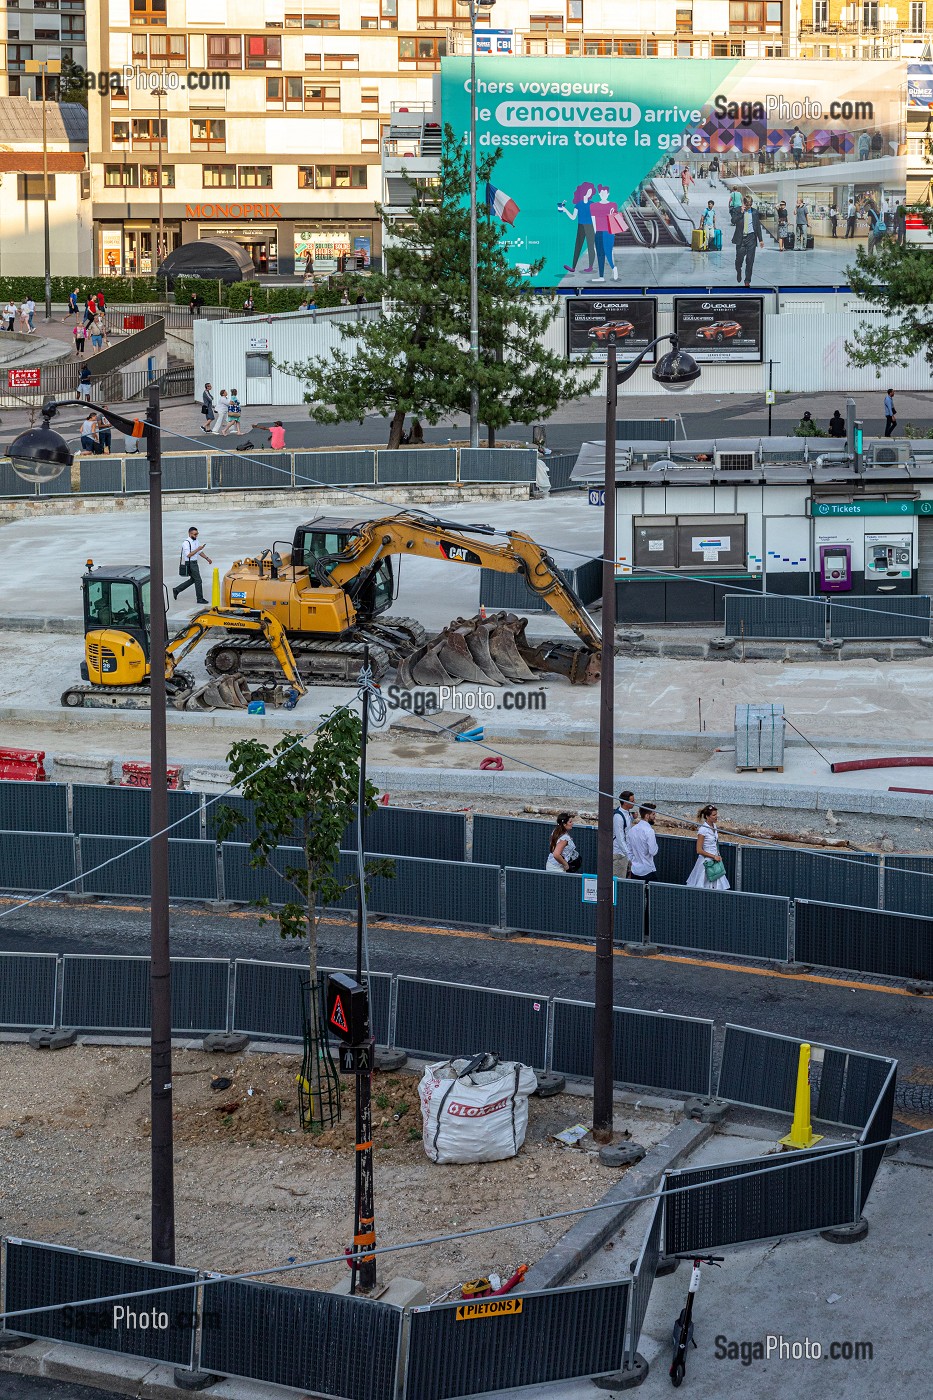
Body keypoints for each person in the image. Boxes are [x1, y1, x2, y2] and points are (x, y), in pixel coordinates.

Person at [686, 806, 730, 892]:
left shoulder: (714, 826)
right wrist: (714, 856)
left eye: (716, 814)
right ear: (707, 816)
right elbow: (699, 850)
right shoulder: (703, 830)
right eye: (714, 815)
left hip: (715, 860)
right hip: (707, 861)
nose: (716, 816)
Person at [558, 182, 596, 274]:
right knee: (577, 247)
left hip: (590, 226)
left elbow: (594, 218)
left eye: (591, 192)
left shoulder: (592, 204)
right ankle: (573, 267)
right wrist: (565, 210)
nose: (589, 193)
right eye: (588, 191)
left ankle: (590, 267)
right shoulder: (578, 204)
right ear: (584, 191)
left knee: (591, 247)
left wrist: (596, 230)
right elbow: (573, 217)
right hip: (581, 226)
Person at [173, 526, 211, 604]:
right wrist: (198, 549)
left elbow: (200, 552)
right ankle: (200, 599)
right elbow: (188, 555)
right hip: (190, 564)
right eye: (195, 534)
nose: (196, 536)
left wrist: (207, 558)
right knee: (198, 580)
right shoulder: (186, 543)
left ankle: (177, 589)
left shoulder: (196, 541)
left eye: (197, 534)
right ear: (190, 534)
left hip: (194, 563)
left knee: (193, 580)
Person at [733, 195, 763, 288]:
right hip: (741, 238)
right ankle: (739, 271)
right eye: (747, 205)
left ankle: (747, 280)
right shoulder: (737, 210)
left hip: (751, 238)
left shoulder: (754, 212)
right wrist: (741, 213)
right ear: (744, 203)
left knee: (750, 260)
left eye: (750, 205)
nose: (748, 207)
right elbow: (733, 220)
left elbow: (757, 226)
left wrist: (760, 239)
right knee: (739, 260)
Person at [627, 805, 658, 883]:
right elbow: (653, 851)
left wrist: (634, 862)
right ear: (647, 816)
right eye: (653, 814)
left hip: (635, 870)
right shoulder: (649, 831)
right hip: (648, 870)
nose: (655, 817)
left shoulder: (632, 830)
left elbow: (629, 851)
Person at [612, 790, 635, 880]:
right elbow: (620, 838)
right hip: (620, 854)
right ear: (625, 802)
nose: (634, 803)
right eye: (632, 801)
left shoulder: (627, 813)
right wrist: (628, 855)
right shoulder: (618, 817)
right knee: (619, 879)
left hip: (626, 852)